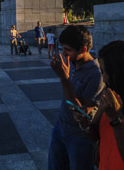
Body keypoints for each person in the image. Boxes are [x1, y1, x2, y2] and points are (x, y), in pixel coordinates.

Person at [47, 25, 102, 170]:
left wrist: (64, 79)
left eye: (68, 50)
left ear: (83, 49)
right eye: (63, 49)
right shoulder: (70, 62)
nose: (64, 53)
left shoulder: (96, 75)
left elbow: (82, 111)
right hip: (60, 126)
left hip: (79, 137)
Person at [91, 41, 124, 169]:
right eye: (101, 72)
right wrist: (84, 123)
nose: (104, 79)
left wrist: (116, 119)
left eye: (106, 72)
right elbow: (94, 134)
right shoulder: (111, 97)